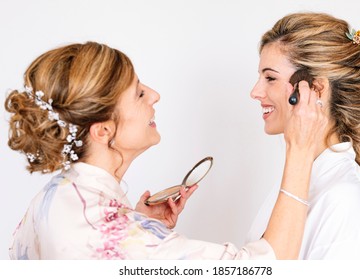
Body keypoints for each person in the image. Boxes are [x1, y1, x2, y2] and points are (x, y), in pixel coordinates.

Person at [6, 41, 327, 260]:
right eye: (138, 94)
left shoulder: (56, 196)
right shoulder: (113, 235)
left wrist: (137, 223)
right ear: (103, 130)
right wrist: (299, 150)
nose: (155, 95)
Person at [247, 12, 360, 259]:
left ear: (315, 89)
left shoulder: (345, 196)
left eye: (270, 78)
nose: (255, 92)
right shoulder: (301, 180)